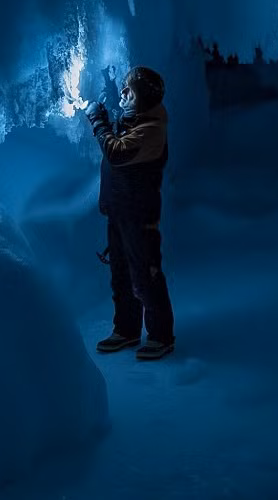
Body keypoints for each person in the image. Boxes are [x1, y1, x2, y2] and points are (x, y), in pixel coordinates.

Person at [83, 66, 176, 360]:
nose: (123, 93)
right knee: (121, 276)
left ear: (144, 99)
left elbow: (118, 152)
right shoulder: (133, 121)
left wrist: (99, 121)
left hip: (138, 217)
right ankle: (126, 330)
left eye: (129, 91)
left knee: (145, 276)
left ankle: (161, 336)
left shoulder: (151, 131)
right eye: (124, 87)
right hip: (120, 212)